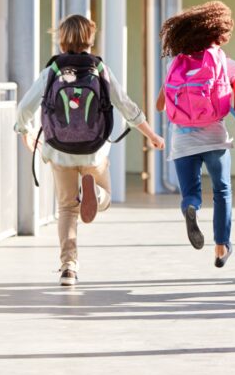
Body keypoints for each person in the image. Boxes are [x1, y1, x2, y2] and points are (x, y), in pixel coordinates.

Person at [15, 15, 165, 287]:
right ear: (90, 39)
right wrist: (152, 135)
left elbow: (25, 106)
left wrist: (24, 131)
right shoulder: (99, 68)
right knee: (104, 198)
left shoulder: (53, 70)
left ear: (62, 38)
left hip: (59, 150)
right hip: (94, 150)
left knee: (66, 208)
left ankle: (68, 267)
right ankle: (95, 193)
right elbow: (125, 105)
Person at [157, 1, 235, 268]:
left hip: (182, 140)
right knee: (222, 190)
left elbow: (159, 105)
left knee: (190, 192)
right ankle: (221, 245)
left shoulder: (176, 64)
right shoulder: (228, 64)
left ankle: (191, 207)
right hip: (215, 138)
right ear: (217, 33)